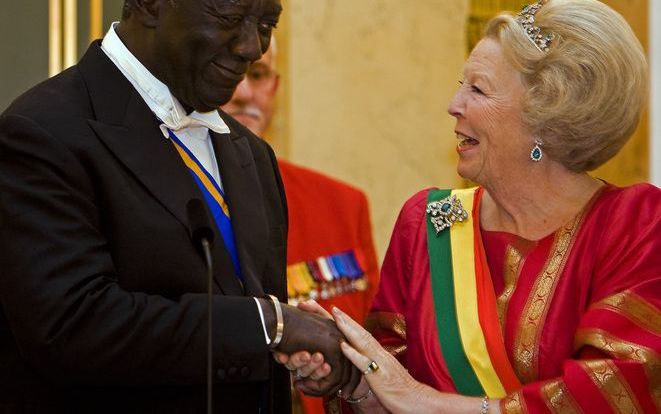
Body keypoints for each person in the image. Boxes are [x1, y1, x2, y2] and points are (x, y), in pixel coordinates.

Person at [281, 0, 660, 412]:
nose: (453, 103)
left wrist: (425, 402)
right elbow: (391, 387)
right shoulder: (429, 223)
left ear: (548, 116)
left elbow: (614, 391)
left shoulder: (634, 224)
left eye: (477, 89)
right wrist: (348, 371)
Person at [0, 0, 358, 412]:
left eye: (266, 23)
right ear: (150, 5)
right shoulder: (42, 131)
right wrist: (272, 325)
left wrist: (296, 356)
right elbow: (73, 326)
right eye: (230, 18)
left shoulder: (251, 153)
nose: (251, 46)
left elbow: (243, 329)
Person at [221, 38, 381, 414]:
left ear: (274, 86)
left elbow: (377, 353)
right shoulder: (161, 204)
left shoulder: (342, 205)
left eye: (257, 74)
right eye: (231, 71)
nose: (245, 92)